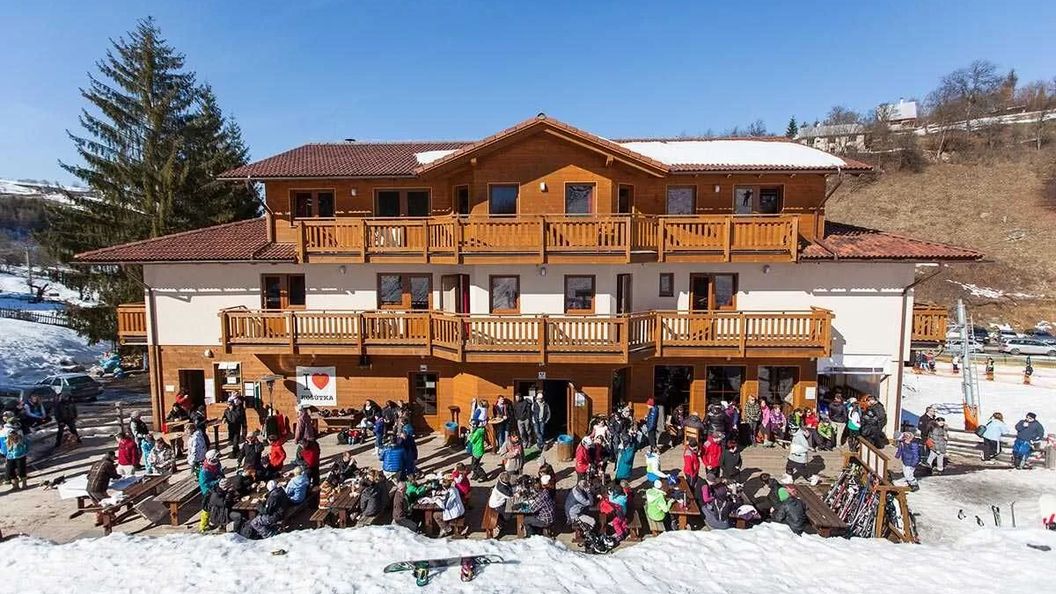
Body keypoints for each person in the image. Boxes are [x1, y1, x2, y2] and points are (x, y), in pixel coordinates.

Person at [4, 424, 28, 490]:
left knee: (21, 470)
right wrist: (6, 457)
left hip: (20, 456)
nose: (13, 435)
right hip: (10, 457)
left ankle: (24, 484)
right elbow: (7, 450)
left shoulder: (20, 439)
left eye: (13, 433)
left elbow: (27, 443)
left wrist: (25, 451)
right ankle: (15, 485)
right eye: (11, 434)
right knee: (10, 471)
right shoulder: (7, 440)